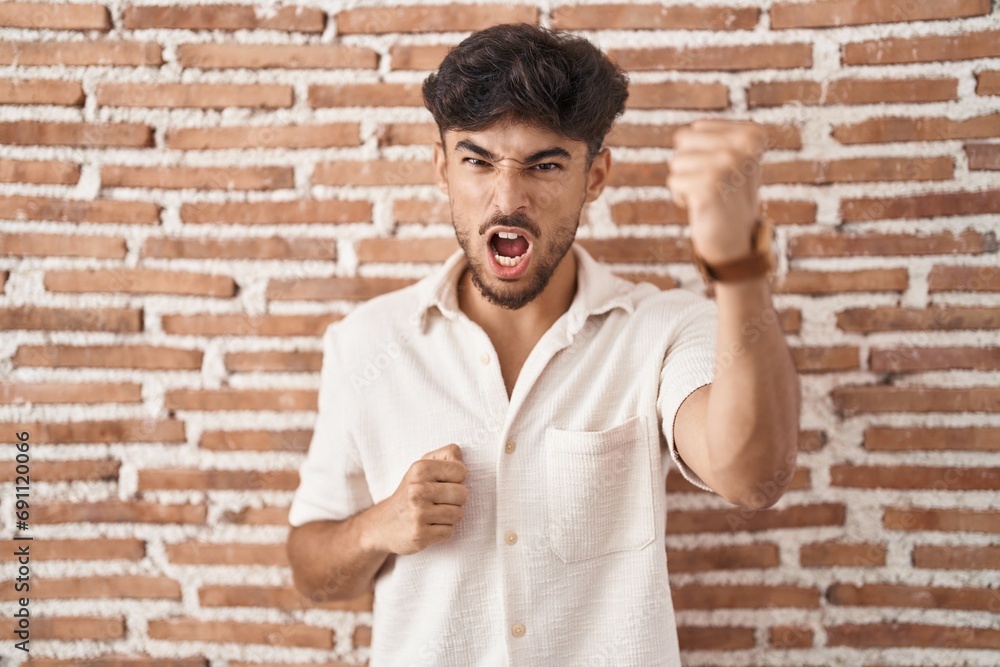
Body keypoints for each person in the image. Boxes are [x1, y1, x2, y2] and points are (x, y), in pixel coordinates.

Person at [286, 23, 799, 666]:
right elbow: (311, 570)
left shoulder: (666, 328)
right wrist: (376, 527)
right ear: (442, 167)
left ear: (595, 176)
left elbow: (753, 477)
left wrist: (740, 270)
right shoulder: (366, 342)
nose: (508, 199)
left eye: (545, 164)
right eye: (478, 160)